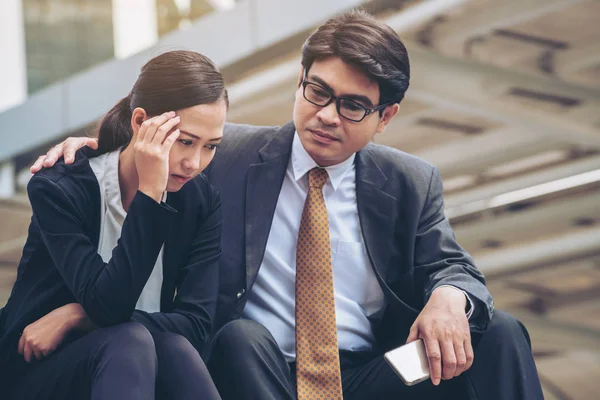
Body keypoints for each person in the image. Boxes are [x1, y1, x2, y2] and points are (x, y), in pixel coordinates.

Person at [31, 10, 544, 400]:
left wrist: (451, 298)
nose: (326, 115)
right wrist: (87, 149)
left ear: (385, 116)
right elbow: (154, 123)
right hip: (259, 370)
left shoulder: (409, 180)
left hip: (376, 376)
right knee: (240, 337)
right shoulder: (222, 154)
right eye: (317, 91)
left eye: (352, 106)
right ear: (300, 81)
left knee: (497, 334)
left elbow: (452, 265)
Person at [1, 50, 227, 400]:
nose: (194, 162)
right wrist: (150, 194)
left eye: (210, 146)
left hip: (143, 366)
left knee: (173, 348)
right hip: (40, 372)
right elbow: (108, 305)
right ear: (140, 123)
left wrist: (76, 315)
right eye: (184, 141)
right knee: (131, 339)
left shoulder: (200, 201)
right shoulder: (60, 188)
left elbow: (196, 326)